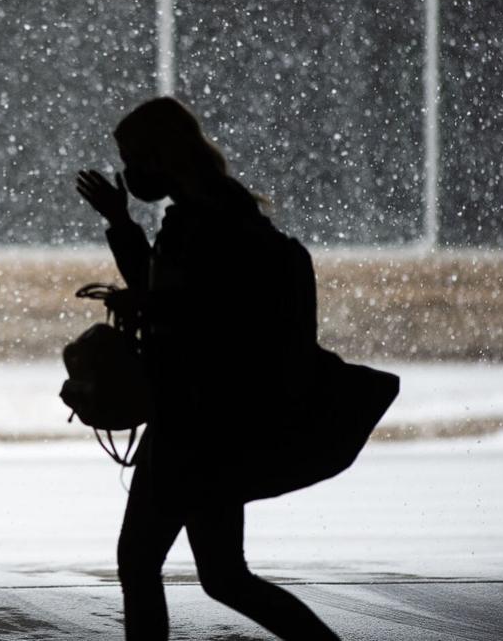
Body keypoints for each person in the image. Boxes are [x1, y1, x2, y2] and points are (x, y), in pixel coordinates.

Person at [75, 95, 341, 641]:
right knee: (222, 576)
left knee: (142, 562)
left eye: (133, 156)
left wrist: (145, 305)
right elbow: (172, 291)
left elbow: (215, 311)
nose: (130, 171)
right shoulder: (211, 212)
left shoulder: (213, 220)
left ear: (160, 153)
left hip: (197, 421)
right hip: (209, 420)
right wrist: (121, 224)